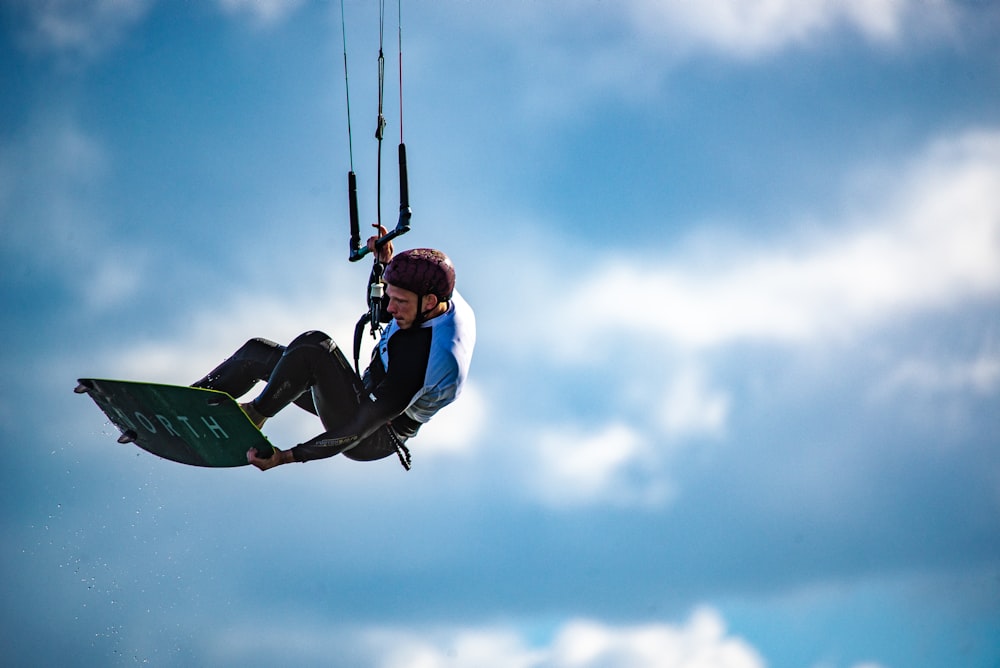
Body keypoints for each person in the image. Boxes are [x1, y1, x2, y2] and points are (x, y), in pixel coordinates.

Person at [192, 228, 476, 471]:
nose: (390, 308)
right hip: (366, 392)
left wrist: (288, 456)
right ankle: (191, 401)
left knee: (314, 349)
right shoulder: (431, 295)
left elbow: (358, 427)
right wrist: (383, 263)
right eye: (391, 296)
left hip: (373, 435)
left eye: (399, 302)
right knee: (255, 354)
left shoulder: (427, 358)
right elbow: (382, 310)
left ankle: (255, 414)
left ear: (429, 302)